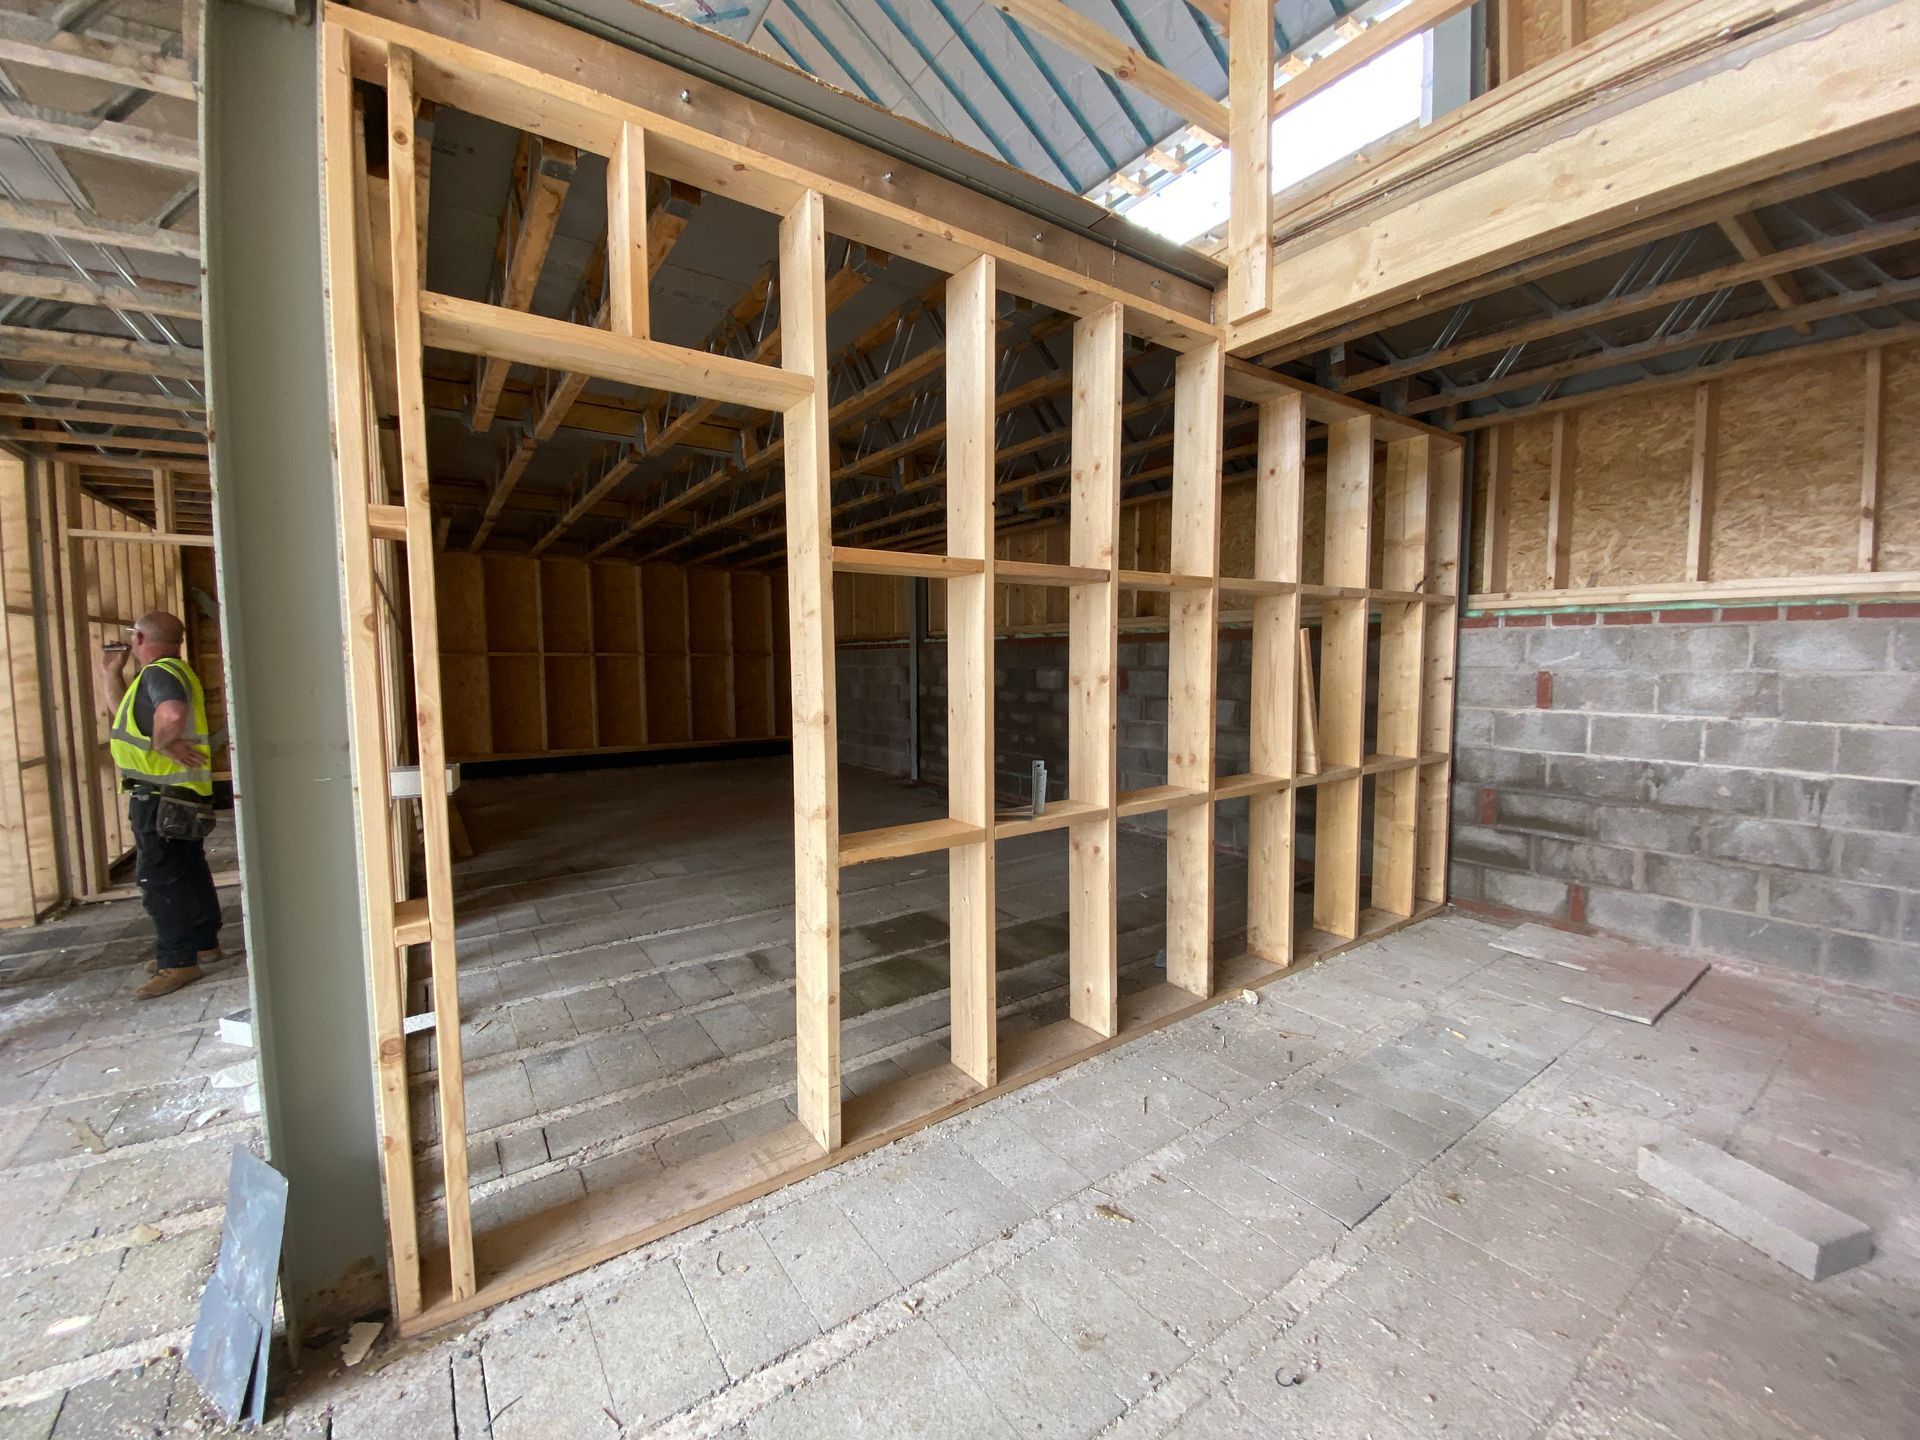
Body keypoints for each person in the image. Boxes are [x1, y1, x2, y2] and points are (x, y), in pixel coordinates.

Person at [96, 610, 222, 1000]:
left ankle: (178, 961)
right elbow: (127, 721)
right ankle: (202, 942)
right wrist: (111, 675)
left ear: (138, 640)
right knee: (187, 868)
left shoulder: (160, 673)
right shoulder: (165, 673)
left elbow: (170, 713)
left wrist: (165, 743)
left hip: (159, 795)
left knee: (160, 878)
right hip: (178, 794)